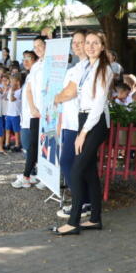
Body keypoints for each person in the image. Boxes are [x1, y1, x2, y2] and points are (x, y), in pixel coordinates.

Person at [51, 31, 113, 235]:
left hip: (94, 123)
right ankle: (95, 219)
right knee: (88, 172)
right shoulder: (86, 67)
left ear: (103, 46)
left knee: (76, 171)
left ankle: (74, 222)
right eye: (88, 43)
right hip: (83, 119)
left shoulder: (104, 69)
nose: (90, 46)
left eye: (96, 43)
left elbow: (98, 105)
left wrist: (83, 132)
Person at [54, 29, 90, 216]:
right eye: (74, 42)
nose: (76, 45)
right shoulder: (75, 68)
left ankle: (80, 202)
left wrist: (57, 97)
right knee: (75, 164)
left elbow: (69, 93)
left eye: (80, 42)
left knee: (68, 162)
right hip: (69, 122)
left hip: (79, 124)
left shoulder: (88, 67)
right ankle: (85, 200)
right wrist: (60, 119)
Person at [11, 38, 45, 188]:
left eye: (28, 58)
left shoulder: (44, 66)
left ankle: (30, 175)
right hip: (29, 116)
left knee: (35, 147)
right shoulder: (32, 72)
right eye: (23, 58)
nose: (25, 61)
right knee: (31, 147)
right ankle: (31, 174)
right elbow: (29, 93)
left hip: (40, 114)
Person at [3, 74, 22, 151]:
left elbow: (12, 99)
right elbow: (6, 98)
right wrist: (6, 90)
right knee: (7, 129)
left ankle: (17, 144)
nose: (11, 83)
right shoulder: (11, 89)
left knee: (16, 130)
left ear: (17, 82)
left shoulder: (19, 91)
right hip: (9, 113)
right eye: (10, 81)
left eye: (12, 81)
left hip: (15, 114)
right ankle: (7, 143)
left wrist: (12, 91)